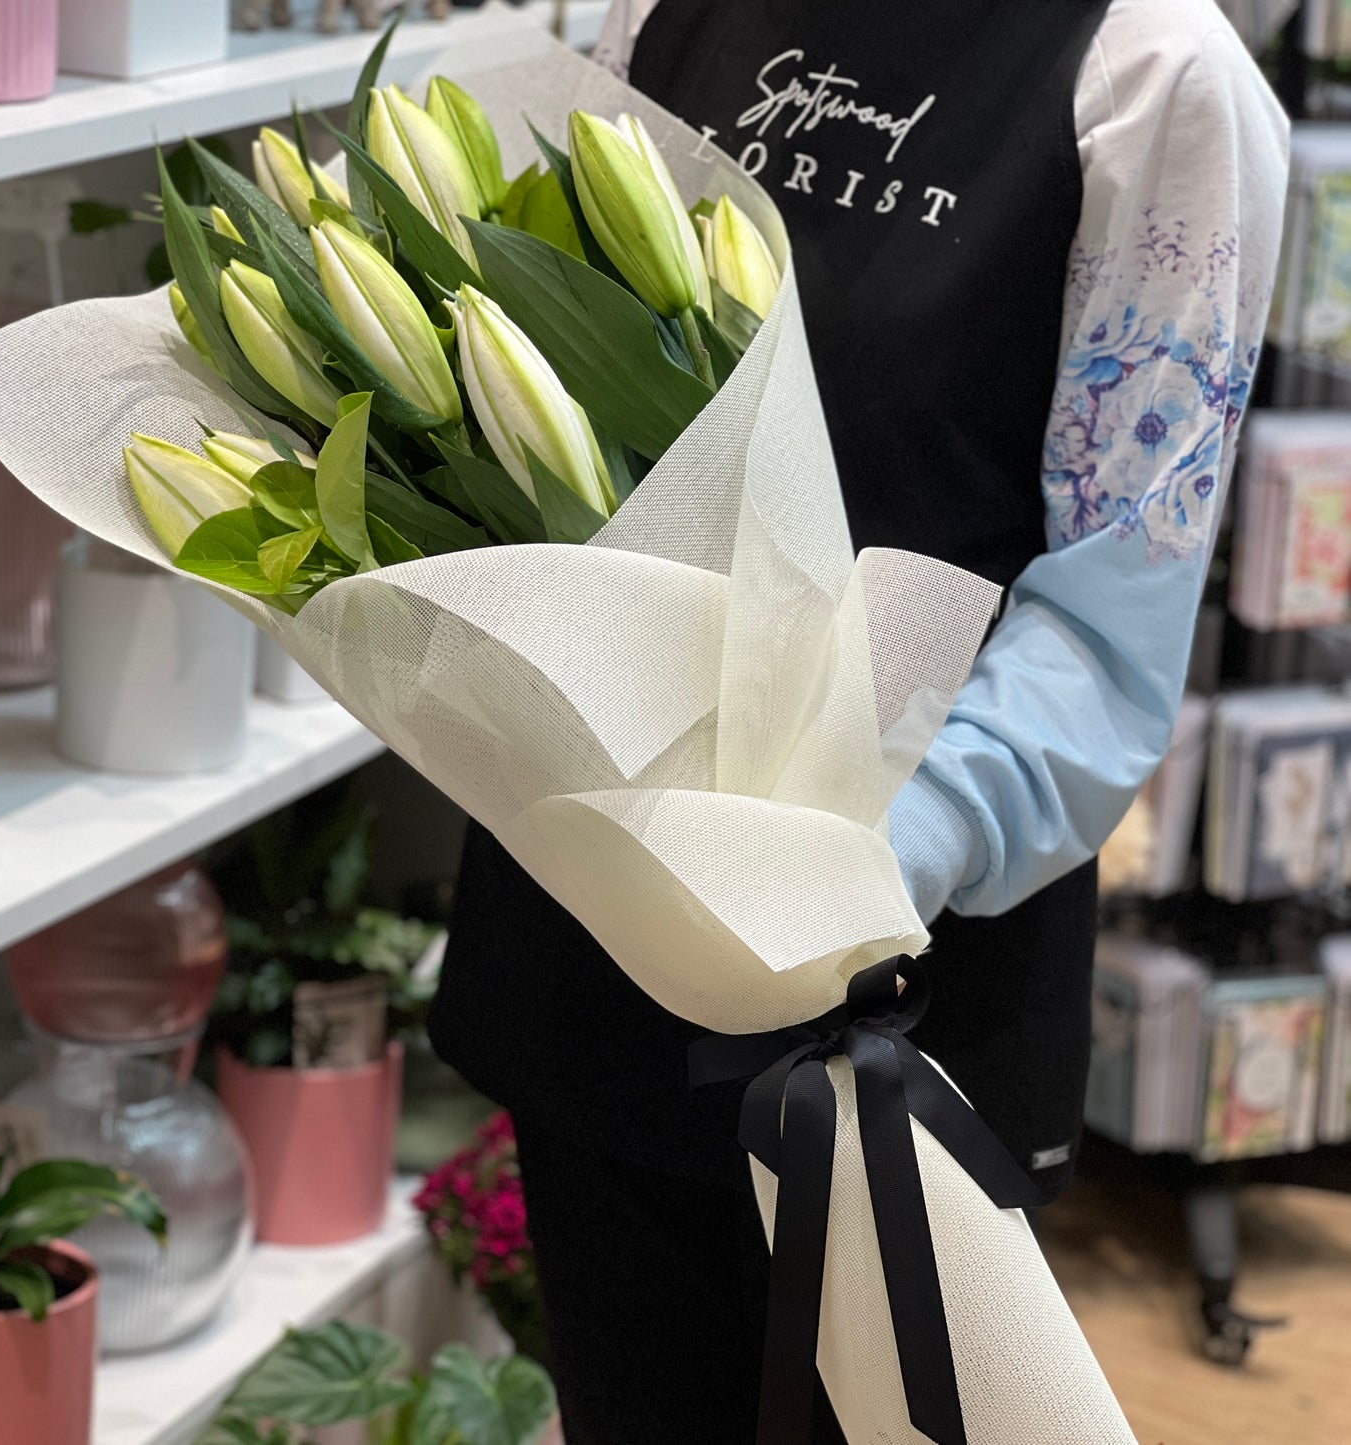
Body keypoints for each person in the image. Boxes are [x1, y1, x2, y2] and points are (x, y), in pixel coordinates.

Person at [429, 1, 1290, 1439]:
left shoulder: (1151, 81)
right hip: (589, 940)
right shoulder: (652, 9)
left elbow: (1105, 630)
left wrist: (837, 879)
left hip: (887, 997)